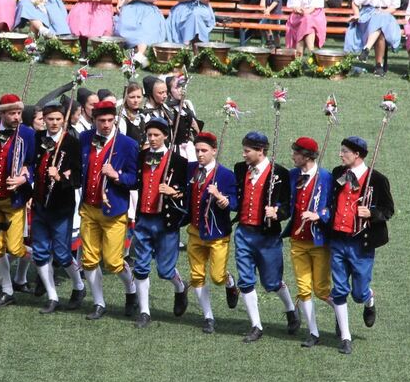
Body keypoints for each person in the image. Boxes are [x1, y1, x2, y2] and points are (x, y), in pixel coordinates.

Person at [327, 135, 393, 354]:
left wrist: (372, 213)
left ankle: (368, 299)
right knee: (339, 289)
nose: (340, 154)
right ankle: (345, 337)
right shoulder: (338, 173)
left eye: (345, 151)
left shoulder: (378, 179)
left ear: (357, 154)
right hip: (338, 240)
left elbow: (388, 210)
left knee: (358, 293)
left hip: (360, 244)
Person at [77, 99, 139, 320]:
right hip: (88, 208)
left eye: (110, 120)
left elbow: (135, 180)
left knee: (113, 262)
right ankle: (98, 303)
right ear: (93, 120)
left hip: (114, 211)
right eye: (101, 120)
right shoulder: (84, 138)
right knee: (89, 260)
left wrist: (117, 175)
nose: (106, 125)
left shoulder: (127, 144)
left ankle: (131, 291)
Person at [233, 131, 297, 343]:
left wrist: (277, 213)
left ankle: (290, 309)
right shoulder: (240, 168)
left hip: (267, 237)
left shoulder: (280, 173)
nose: (243, 154)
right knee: (245, 281)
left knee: (272, 282)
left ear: (260, 151)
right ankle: (256, 325)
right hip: (243, 232)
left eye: (247, 151)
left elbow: (288, 206)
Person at [126, 117, 189, 328]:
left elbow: (186, 193)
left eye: (156, 135)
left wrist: (173, 191)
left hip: (166, 222)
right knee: (141, 267)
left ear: (165, 136)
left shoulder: (178, 161)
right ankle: (144, 312)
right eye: (149, 135)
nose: (152, 139)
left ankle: (180, 288)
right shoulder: (141, 156)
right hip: (143, 219)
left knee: (165, 270)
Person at [28, 101, 84, 313]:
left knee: (62, 253)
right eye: (50, 119)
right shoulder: (37, 138)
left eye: (58, 119)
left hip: (61, 206)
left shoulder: (72, 143)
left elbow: (77, 177)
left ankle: (79, 286)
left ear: (63, 120)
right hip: (40, 204)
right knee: (40, 252)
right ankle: (52, 296)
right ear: (44, 120)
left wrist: (60, 177)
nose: (53, 123)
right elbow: (31, 164)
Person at [182, 131, 239, 333]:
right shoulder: (190, 169)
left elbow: (234, 202)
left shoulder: (225, 174)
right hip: (195, 232)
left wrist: (222, 198)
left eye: (204, 151)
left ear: (214, 151)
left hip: (217, 234)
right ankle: (208, 317)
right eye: (197, 150)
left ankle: (230, 282)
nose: (200, 154)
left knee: (217, 276)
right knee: (196, 276)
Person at [0, 93, 37, 305]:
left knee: (15, 248)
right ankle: (6, 290)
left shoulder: (27, 134)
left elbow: (32, 163)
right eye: (12, 113)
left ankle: (42, 260)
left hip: (14, 200)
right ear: (2, 114)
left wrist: (24, 178)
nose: (17, 117)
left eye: (19, 113)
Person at [283, 136, 333, 347]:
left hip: (318, 243)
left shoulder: (326, 177)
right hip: (297, 241)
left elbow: (334, 207)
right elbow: (286, 202)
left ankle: (340, 315)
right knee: (303, 289)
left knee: (321, 290)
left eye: (296, 153)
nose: (293, 156)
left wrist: (319, 215)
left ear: (307, 156)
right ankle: (313, 333)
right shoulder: (292, 175)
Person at [345, 0, 401, 75]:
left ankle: (366, 50)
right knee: (379, 26)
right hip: (367, 13)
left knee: (381, 19)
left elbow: (394, 7)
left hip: (386, 14)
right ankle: (378, 65)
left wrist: (383, 12)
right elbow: (355, 2)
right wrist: (357, 14)